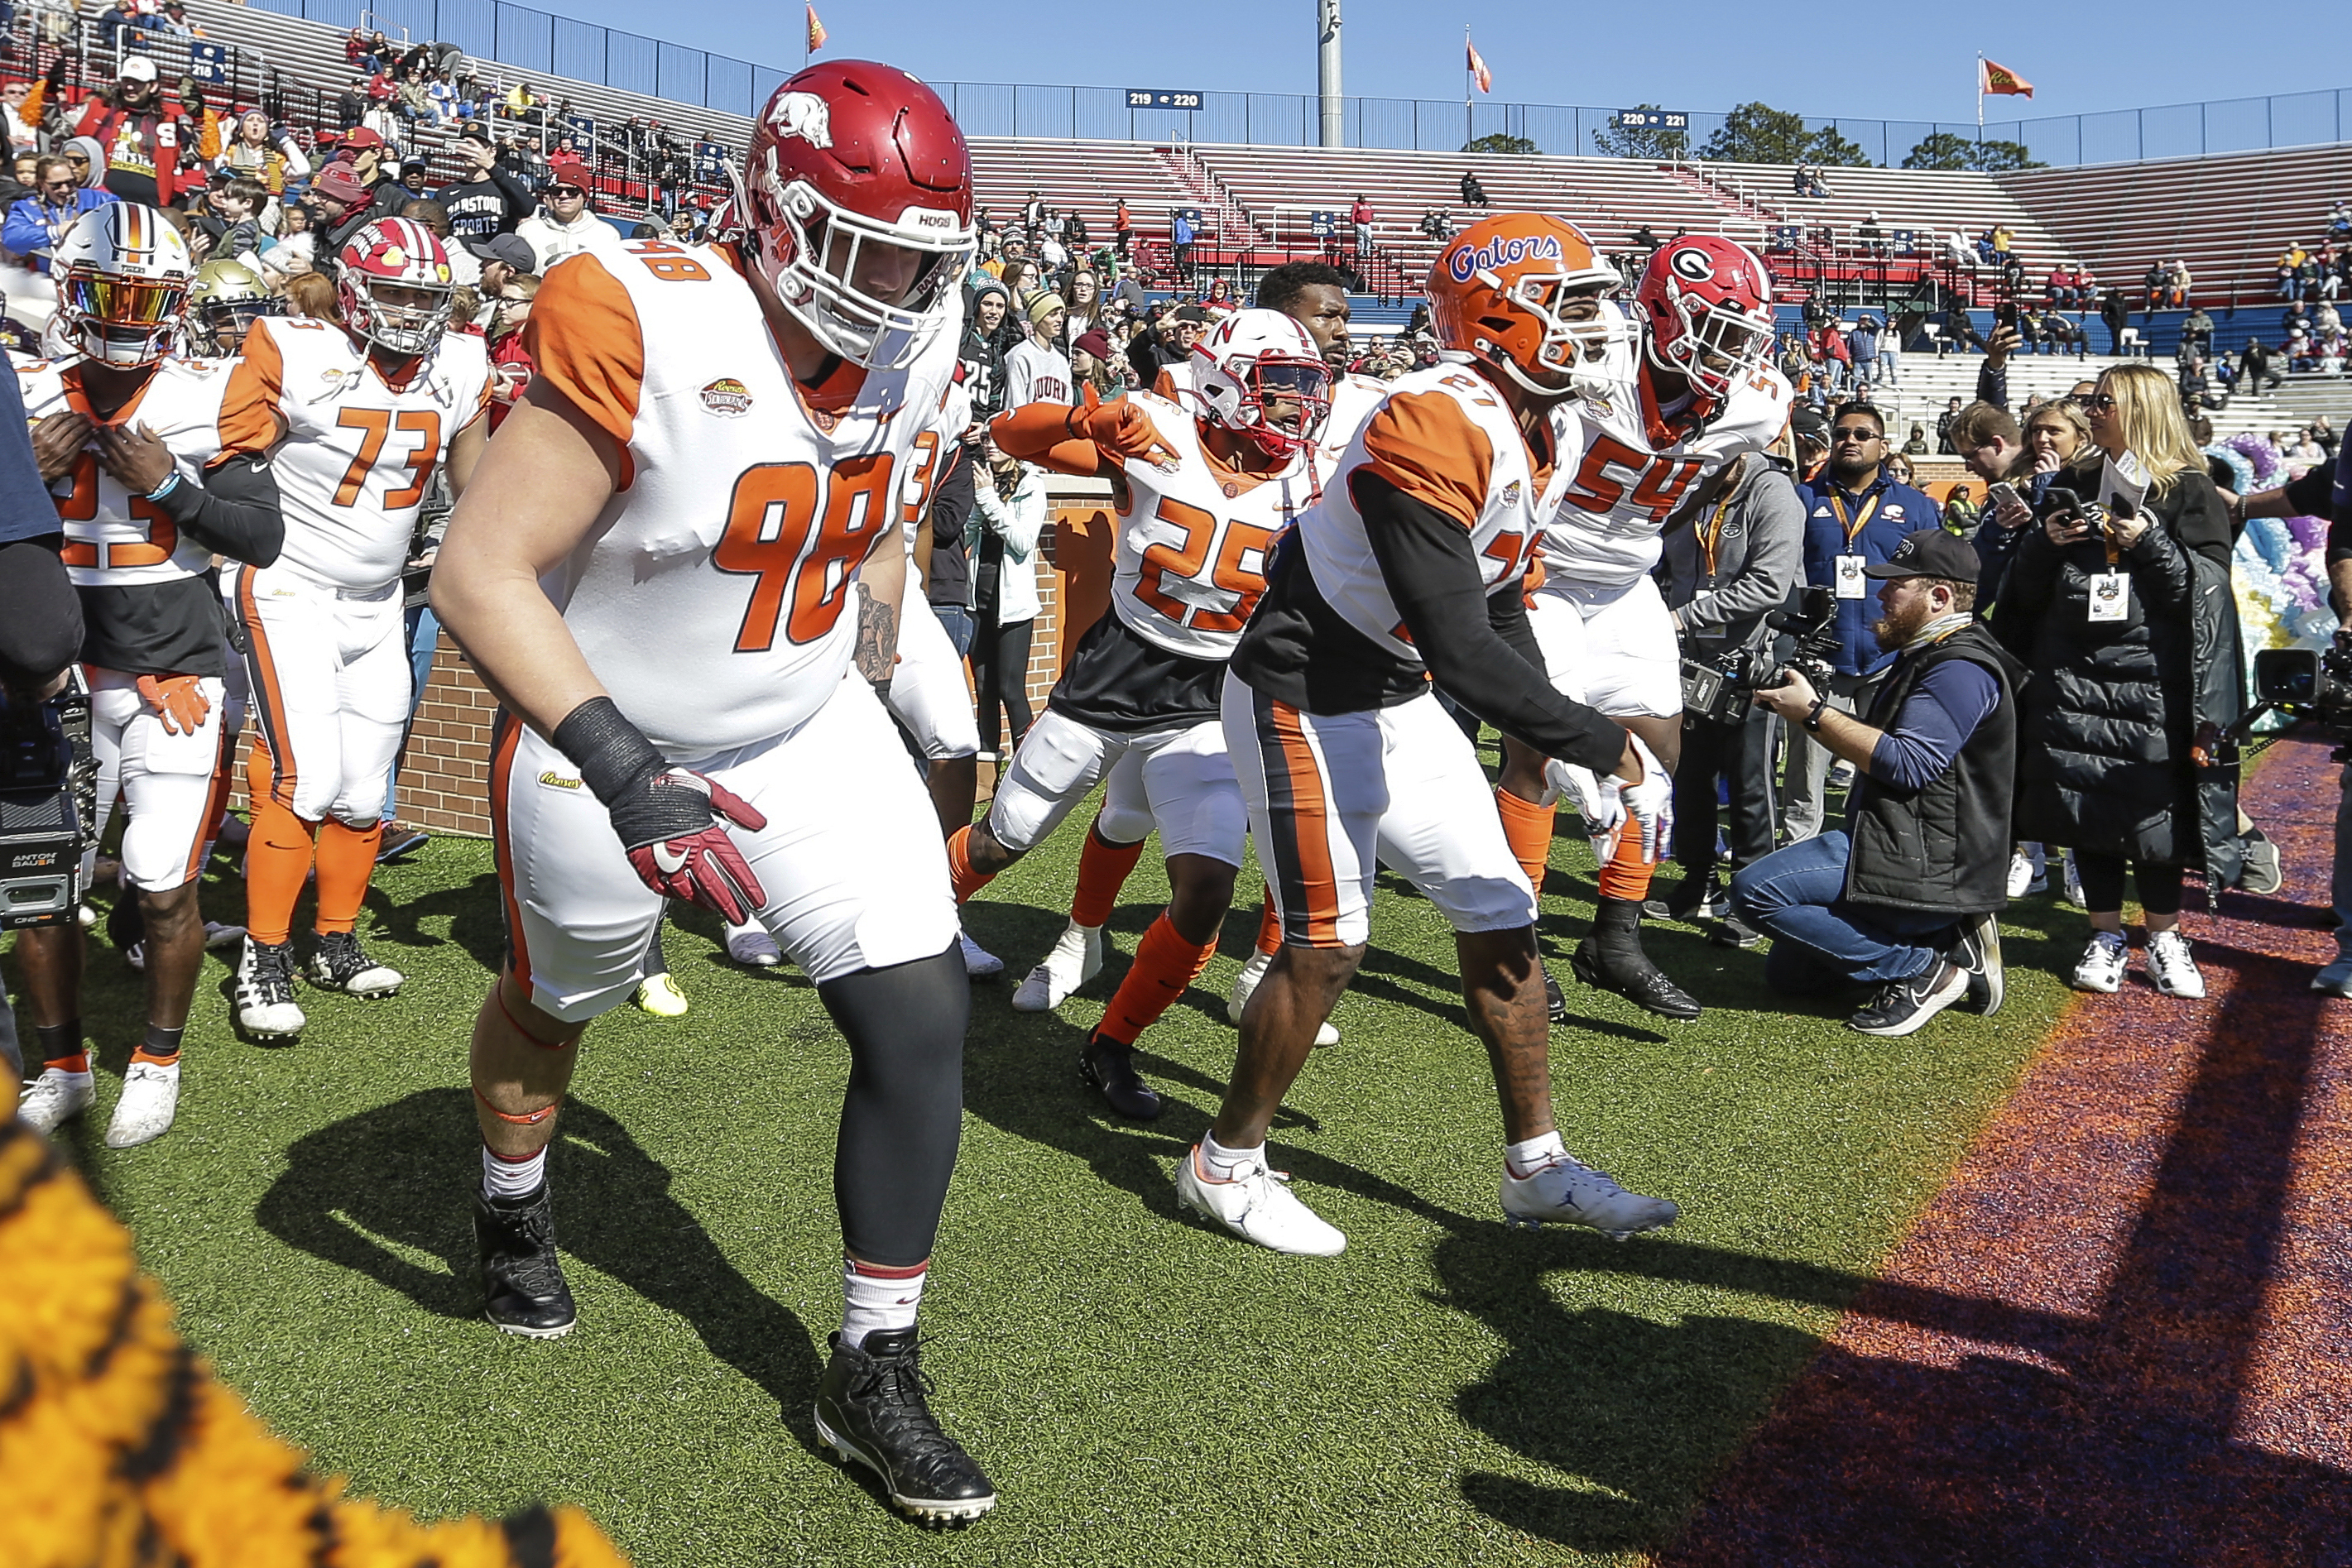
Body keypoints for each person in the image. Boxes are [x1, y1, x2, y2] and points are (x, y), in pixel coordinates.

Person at [428, 62, 995, 1524]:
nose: (891, 288)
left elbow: (880, 516)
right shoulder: (645, 311)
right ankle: (510, 1205)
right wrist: (629, 775)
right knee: (561, 1002)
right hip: (604, 733)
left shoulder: (922, 343)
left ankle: (873, 1361)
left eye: (919, 260)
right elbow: (480, 572)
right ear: (774, 213)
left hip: (801, 723)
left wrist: (871, 639)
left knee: (920, 1002)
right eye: (864, 248)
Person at [1180, 213, 1679, 1257]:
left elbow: (1501, 603)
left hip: (1395, 695)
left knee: (1502, 913)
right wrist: (1600, 739)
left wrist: (1547, 743)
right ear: (1502, 316)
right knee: (1328, 944)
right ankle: (1222, 1161)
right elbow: (1461, 644)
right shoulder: (1434, 416)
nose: (1602, 327)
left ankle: (1535, 1168)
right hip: (1303, 693)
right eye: (1576, 306)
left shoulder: (1538, 422)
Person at [958, 312, 1337, 1114]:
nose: (1298, 409)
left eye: (1307, 389)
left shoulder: (1309, 477)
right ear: (1227, 380)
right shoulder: (1156, 428)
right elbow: (1006, 433)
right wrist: (1081, 419)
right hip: (1115, 676)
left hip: (1209, 700)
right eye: (1282, 389)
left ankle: (1112, 1045)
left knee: (1203, 890)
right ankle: (903, 940)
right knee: (1000, 842)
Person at [11, 205, 285, 1147]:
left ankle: (158, 1063)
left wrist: (171, 486)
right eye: (107, 294)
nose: (126, 317)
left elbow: (262, 537)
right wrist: (24, 479)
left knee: (163, 880)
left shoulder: (214, 393)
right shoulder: (20, 387)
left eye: (146, 298)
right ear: (67, 289)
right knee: (42, 883)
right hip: (48, 675)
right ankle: (61, 1064)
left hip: (171, 672)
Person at [1495, 234, 1792, 1021]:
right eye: (1720, 332)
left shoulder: (1757, 400)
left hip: (1626, 579)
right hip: (1546, 569)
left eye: (1744, 340)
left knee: (1659, 749)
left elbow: (1704, 479)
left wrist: (1644, 531)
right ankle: (1516, 941)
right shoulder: (1589, 358)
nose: (1732, 357)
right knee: (1539, 751)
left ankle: (1615, 937)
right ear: (1661, 311)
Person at [223, 218, 492, 1041]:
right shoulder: (291, 346)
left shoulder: (462, 362)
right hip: (292, 585)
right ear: (354, 290)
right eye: (397, 290)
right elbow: (233, 464)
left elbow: (473, 479)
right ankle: (262, 954)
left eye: (424, 294)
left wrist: (463, 543)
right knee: (303, 779)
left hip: (379, 598)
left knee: (365, 786)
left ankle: (332, 938)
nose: (411, 309)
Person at [1990, 362, 2241, 997]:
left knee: (2150, 809)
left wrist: (2149, 541)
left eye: (2105, 401)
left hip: (2151, 678)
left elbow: (2207, 592)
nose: (2092, 410)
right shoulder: (2072, 479)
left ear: (2143, 408)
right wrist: (2045, 541)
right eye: (2093, 400)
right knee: (2085, 804)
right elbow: (2024, 589)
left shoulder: (2189, 487)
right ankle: (2103, 934)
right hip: (2073, 669)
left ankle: (2163, 936)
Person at [1731, 528, 2014, 1034]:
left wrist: (1813, 715)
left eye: (1895, 586)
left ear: (1939, 597)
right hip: (1910, 839)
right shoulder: (1929, 653)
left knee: (1756, 893)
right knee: (1792, 976)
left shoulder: (1958, 667)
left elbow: (1908, 764)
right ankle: (1946, 936)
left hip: (1931, 856)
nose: (1880, 595)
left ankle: (1925, 969)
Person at [1654, 453, 1803, 947]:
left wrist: (1681, 617)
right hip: (1691, 662)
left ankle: (1752, 898)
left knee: (1750, 784)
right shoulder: (1690, 490)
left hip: (1753, 662)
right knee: (1691, 776)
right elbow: (1662, 567)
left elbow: (1769, 584)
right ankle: (1698, 881)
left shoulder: (1771, 492)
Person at [1783, 403, 1942, 842]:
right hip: (1820, 658)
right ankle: (1797, 853)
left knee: (1883, 767)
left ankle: (1869, 857)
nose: (1850, 441)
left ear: (1882, 445)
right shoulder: (1803, 499)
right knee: (1805, 773)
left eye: (1862, 434)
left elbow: (1932, 581)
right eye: (1842, 433)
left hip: (1888, 658)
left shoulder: (1915, 506)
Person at [966, 437, 1041, 766]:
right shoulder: (982, 478)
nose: (990, 445)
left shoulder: (1031, 485)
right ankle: (986, 771)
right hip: (978, 599)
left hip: (1013, 604)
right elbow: (967, 535)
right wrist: (975, 506)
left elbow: (1023, 541)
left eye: (997, 439)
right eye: (985, 439)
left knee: (1011, 689)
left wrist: (987, 498)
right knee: (984, 687)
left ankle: (1028, 767)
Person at [2, 153, 114, 272]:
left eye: (70, 182)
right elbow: (11, 239)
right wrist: (55, 231)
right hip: (48, 279)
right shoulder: (25, 208)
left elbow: (124, 218)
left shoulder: (100, 200)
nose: (65, 189)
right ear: (41, 184)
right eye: (56, 185)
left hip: (94, 276)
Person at [513, 154, 616, 268]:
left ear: (585, 197)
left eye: (572, 191)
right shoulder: (528, 231)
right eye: (557, 191)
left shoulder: (607, 235)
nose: (564, 196)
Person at [1001, 290, 1069, 407]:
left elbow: (1067, 405)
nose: (1060, 320)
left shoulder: (1062, 361)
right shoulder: (1020, 355)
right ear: (1038, 317)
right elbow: (1015, 406)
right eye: (1053, 314)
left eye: (1061, 314)